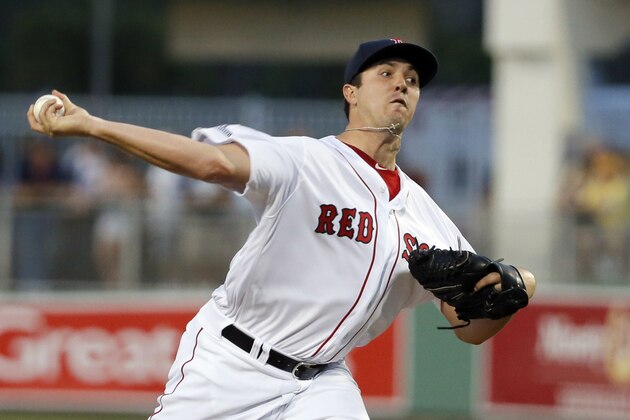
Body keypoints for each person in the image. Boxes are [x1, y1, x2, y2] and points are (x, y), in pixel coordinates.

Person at [28, 38, 536, 419]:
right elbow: (210, 164)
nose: (403, 82)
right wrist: (94, 126)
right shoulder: (305, 160)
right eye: (386, 72)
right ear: (351, 93)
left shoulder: (429, 217)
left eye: (413, 78)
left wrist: (511, 295)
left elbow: (468, 326)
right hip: (230, 362)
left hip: (323, 385)